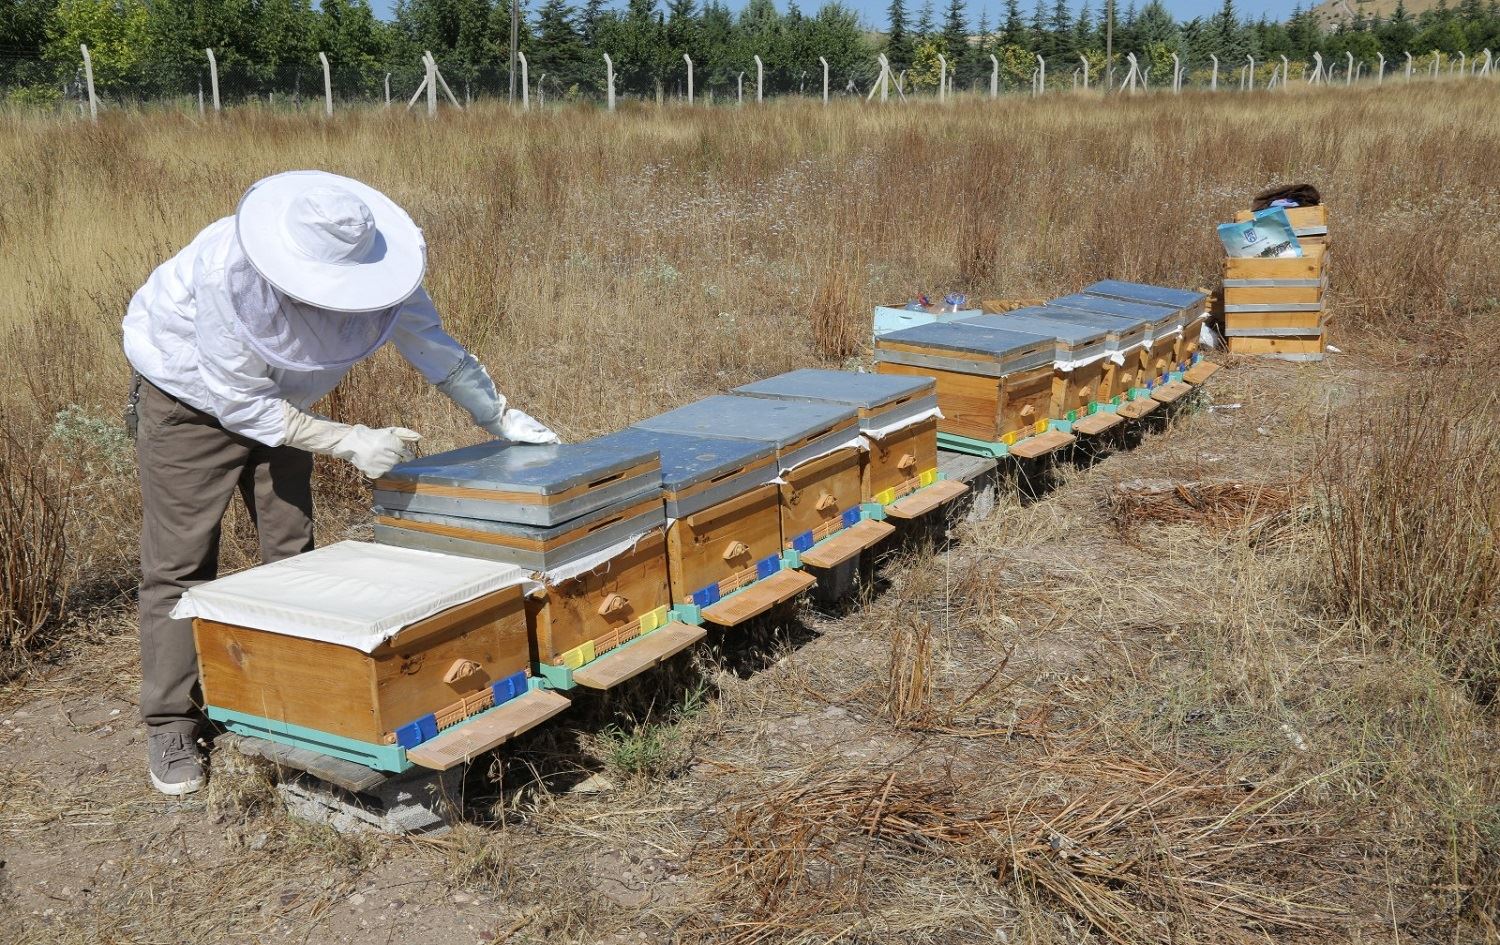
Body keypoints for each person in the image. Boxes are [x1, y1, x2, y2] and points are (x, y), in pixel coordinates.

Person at [121, 170, 558, 796]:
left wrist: (499, 413)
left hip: (291, 407)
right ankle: (168, 720)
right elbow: (240, 403)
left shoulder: (381, 267)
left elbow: (431, 343)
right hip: (190, 402)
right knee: (181, 564)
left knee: (293, 550)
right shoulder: (227, 274)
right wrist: (348, 440)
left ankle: (300, 698)